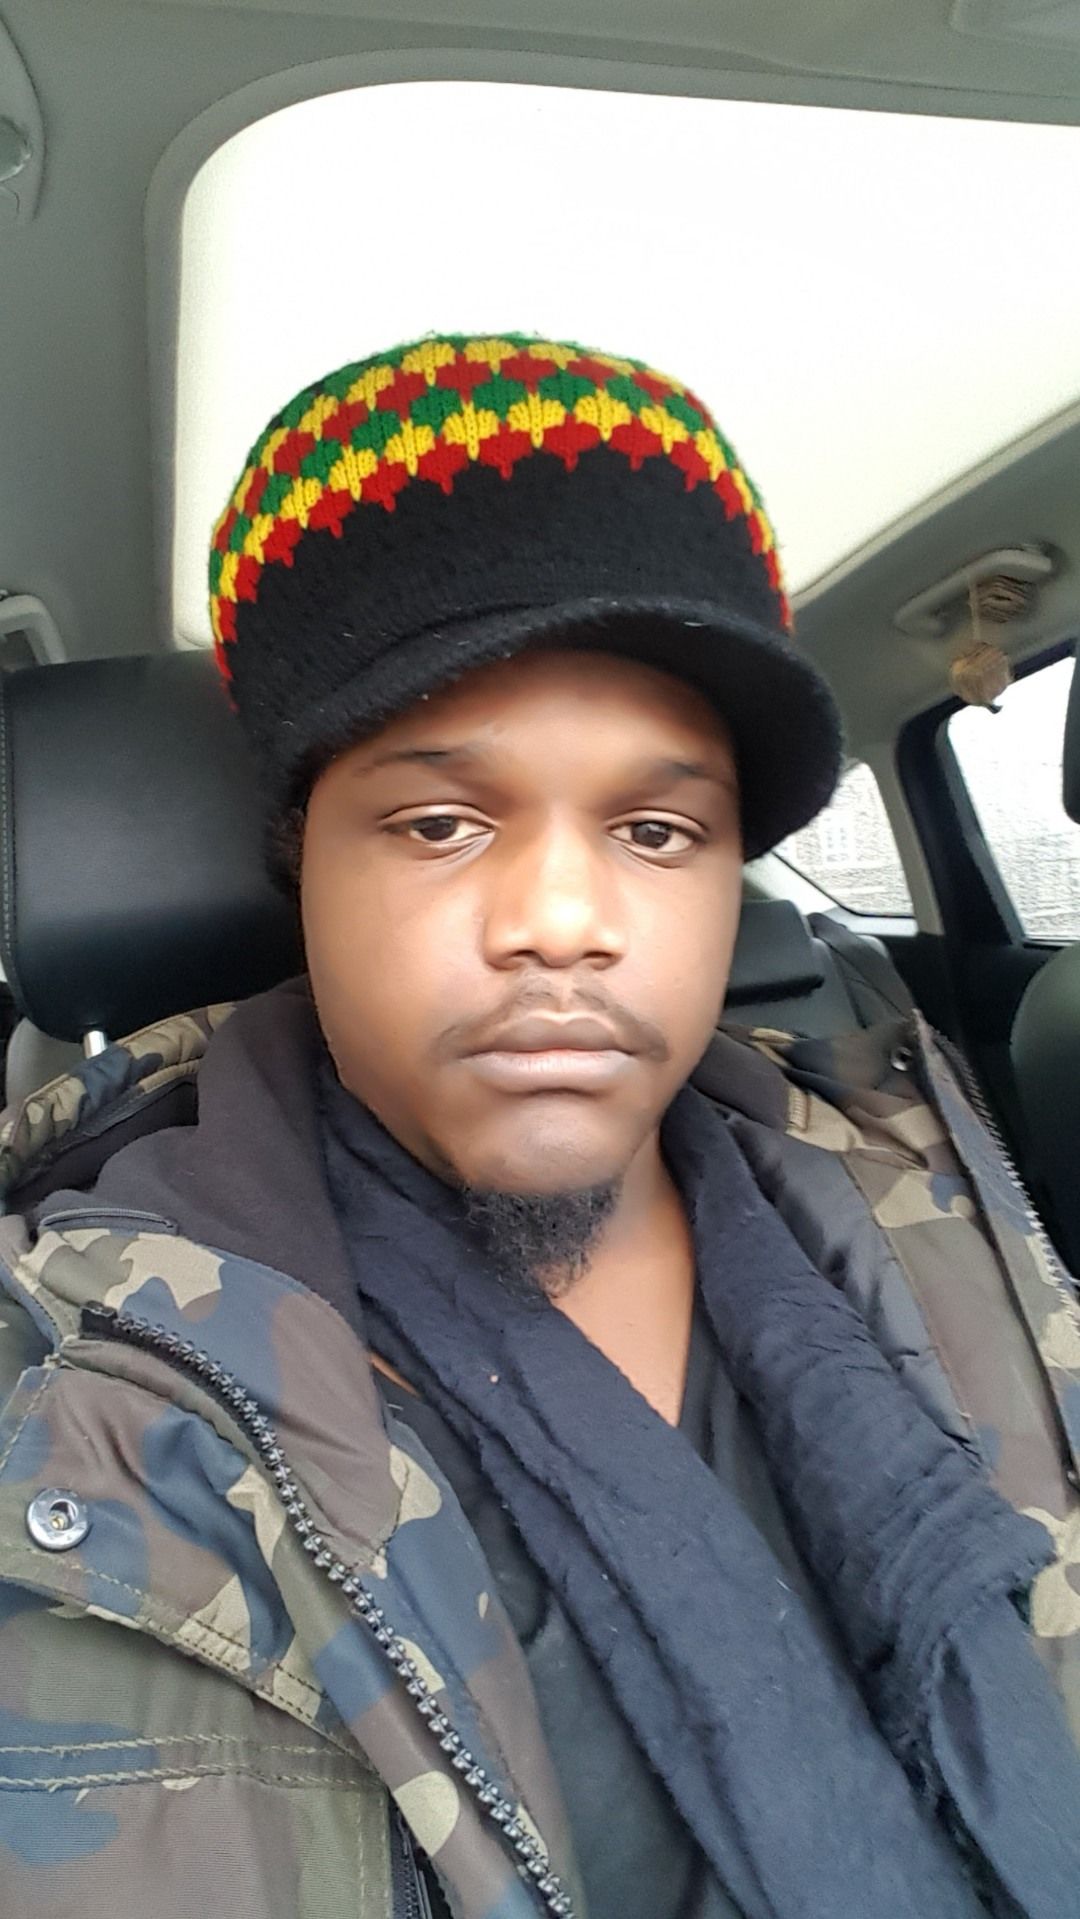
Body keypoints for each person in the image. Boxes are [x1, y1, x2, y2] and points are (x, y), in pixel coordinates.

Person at [1, 333, 1079, 1919]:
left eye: (658, 829)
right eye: (441, 823)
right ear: (301, 862)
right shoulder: (72, 1398)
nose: (565, 922)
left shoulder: (926, 1188)